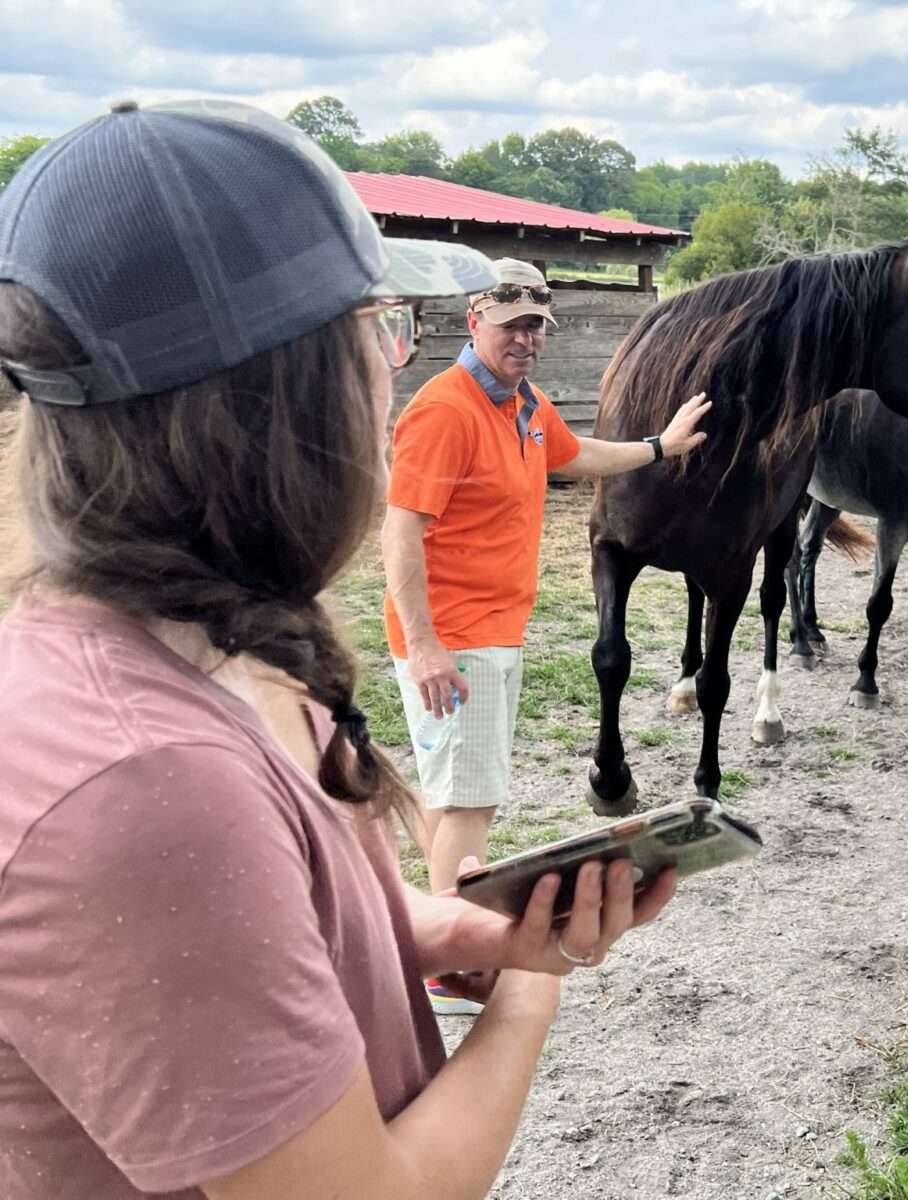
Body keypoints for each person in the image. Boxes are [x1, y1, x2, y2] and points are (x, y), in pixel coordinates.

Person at [0, 99, 675, 1200]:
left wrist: (475, 930)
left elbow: (282, 926)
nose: (392, 366)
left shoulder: (213, 643)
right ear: (294, 393)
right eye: (381, 328)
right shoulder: (147, 781)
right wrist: (532, 993)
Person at [380, 258, 707, 1012]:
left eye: (535, 326)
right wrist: (425, 645)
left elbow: (576, 454)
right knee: (471, 803)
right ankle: (451, 967)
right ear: (475, 322)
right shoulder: (445, 409)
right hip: (456, 638)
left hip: (493, 630)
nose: (525, 339)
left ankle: (437, 943)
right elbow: (400, 532)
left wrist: (661, 447)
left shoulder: (523, 405)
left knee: (454, 797)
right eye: (510, 326)